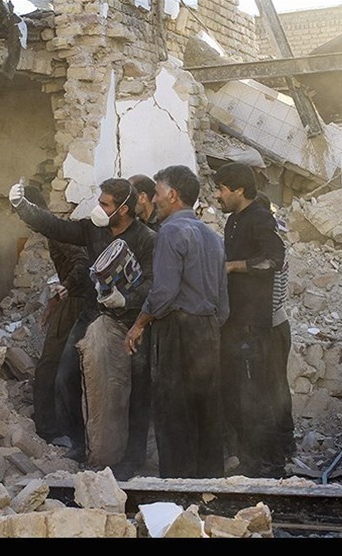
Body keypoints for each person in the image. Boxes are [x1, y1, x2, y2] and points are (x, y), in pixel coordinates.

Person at [9, 178, 155, 473]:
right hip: (92, 315)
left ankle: (132, 457)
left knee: (134, 389)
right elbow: (56, 228)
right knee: (67, 377)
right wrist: (23, 207)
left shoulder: (146, 239)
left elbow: (154, 283)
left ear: (123, 209)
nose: (98, 208)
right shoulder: (93, 229)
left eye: (105, 204)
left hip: (130, 323)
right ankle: (80, 443)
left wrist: (126, 299)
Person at [124, 165, 229, 479]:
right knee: (206, 409)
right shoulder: (213, 237)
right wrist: (207, 328)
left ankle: (177, 487)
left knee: (173, 411)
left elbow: (163, 292)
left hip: (178, 330)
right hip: (208, 329)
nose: (154, 200)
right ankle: (209, 485)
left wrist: (139, 324)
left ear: (172, 195)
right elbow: (224, 303)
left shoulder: (170, 232)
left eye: (157, 194)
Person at [212, 162, 294, 478]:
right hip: (239, 323)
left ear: (239, 190)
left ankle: (271, 465)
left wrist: (233, 266)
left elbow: (274, 259)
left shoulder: (259, 218)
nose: (217, 195)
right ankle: (253, 459)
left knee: (261, 396)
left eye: (221, 189)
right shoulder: (234, 220)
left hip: (259, 327)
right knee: (242, 395)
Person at [21, 186, 90, 445]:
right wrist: (55, 301)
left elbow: (82, 263)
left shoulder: (57, 232)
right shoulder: (55, 231)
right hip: (72, 301)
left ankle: (49, 429)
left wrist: (66, 288)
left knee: (50, 366)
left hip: (76, 303)